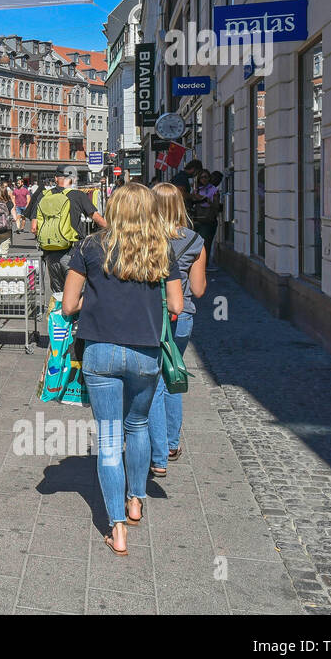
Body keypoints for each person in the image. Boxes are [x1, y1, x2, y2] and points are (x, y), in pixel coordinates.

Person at [61, 182, 184, 557]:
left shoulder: (89, 248)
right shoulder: (162, 248)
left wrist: (92, 299)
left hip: (100, 351)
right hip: (146, 353)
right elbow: (176, 305)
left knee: (110, 438)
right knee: (139, 426)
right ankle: (135, 500)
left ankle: (117, 528)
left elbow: (68, 307)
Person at [148, 182, 207, 477]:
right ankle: (171, 444)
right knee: (173, 375)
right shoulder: (195, 240)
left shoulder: (145, 238)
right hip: (181, 318)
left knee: (155, 381)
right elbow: (198, 289)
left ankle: (158, 452)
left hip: (150, 317)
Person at [27, 167, 108, 307]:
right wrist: (112, 230)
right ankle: (75, 326)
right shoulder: (78, 195)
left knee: (58, 295)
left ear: (56, 179)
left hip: (50, 252)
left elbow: (33, 228)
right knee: (76, 295)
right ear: (72, 180)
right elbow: (97, 218)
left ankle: (60, 326)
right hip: (73, 252)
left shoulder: (43, 195)